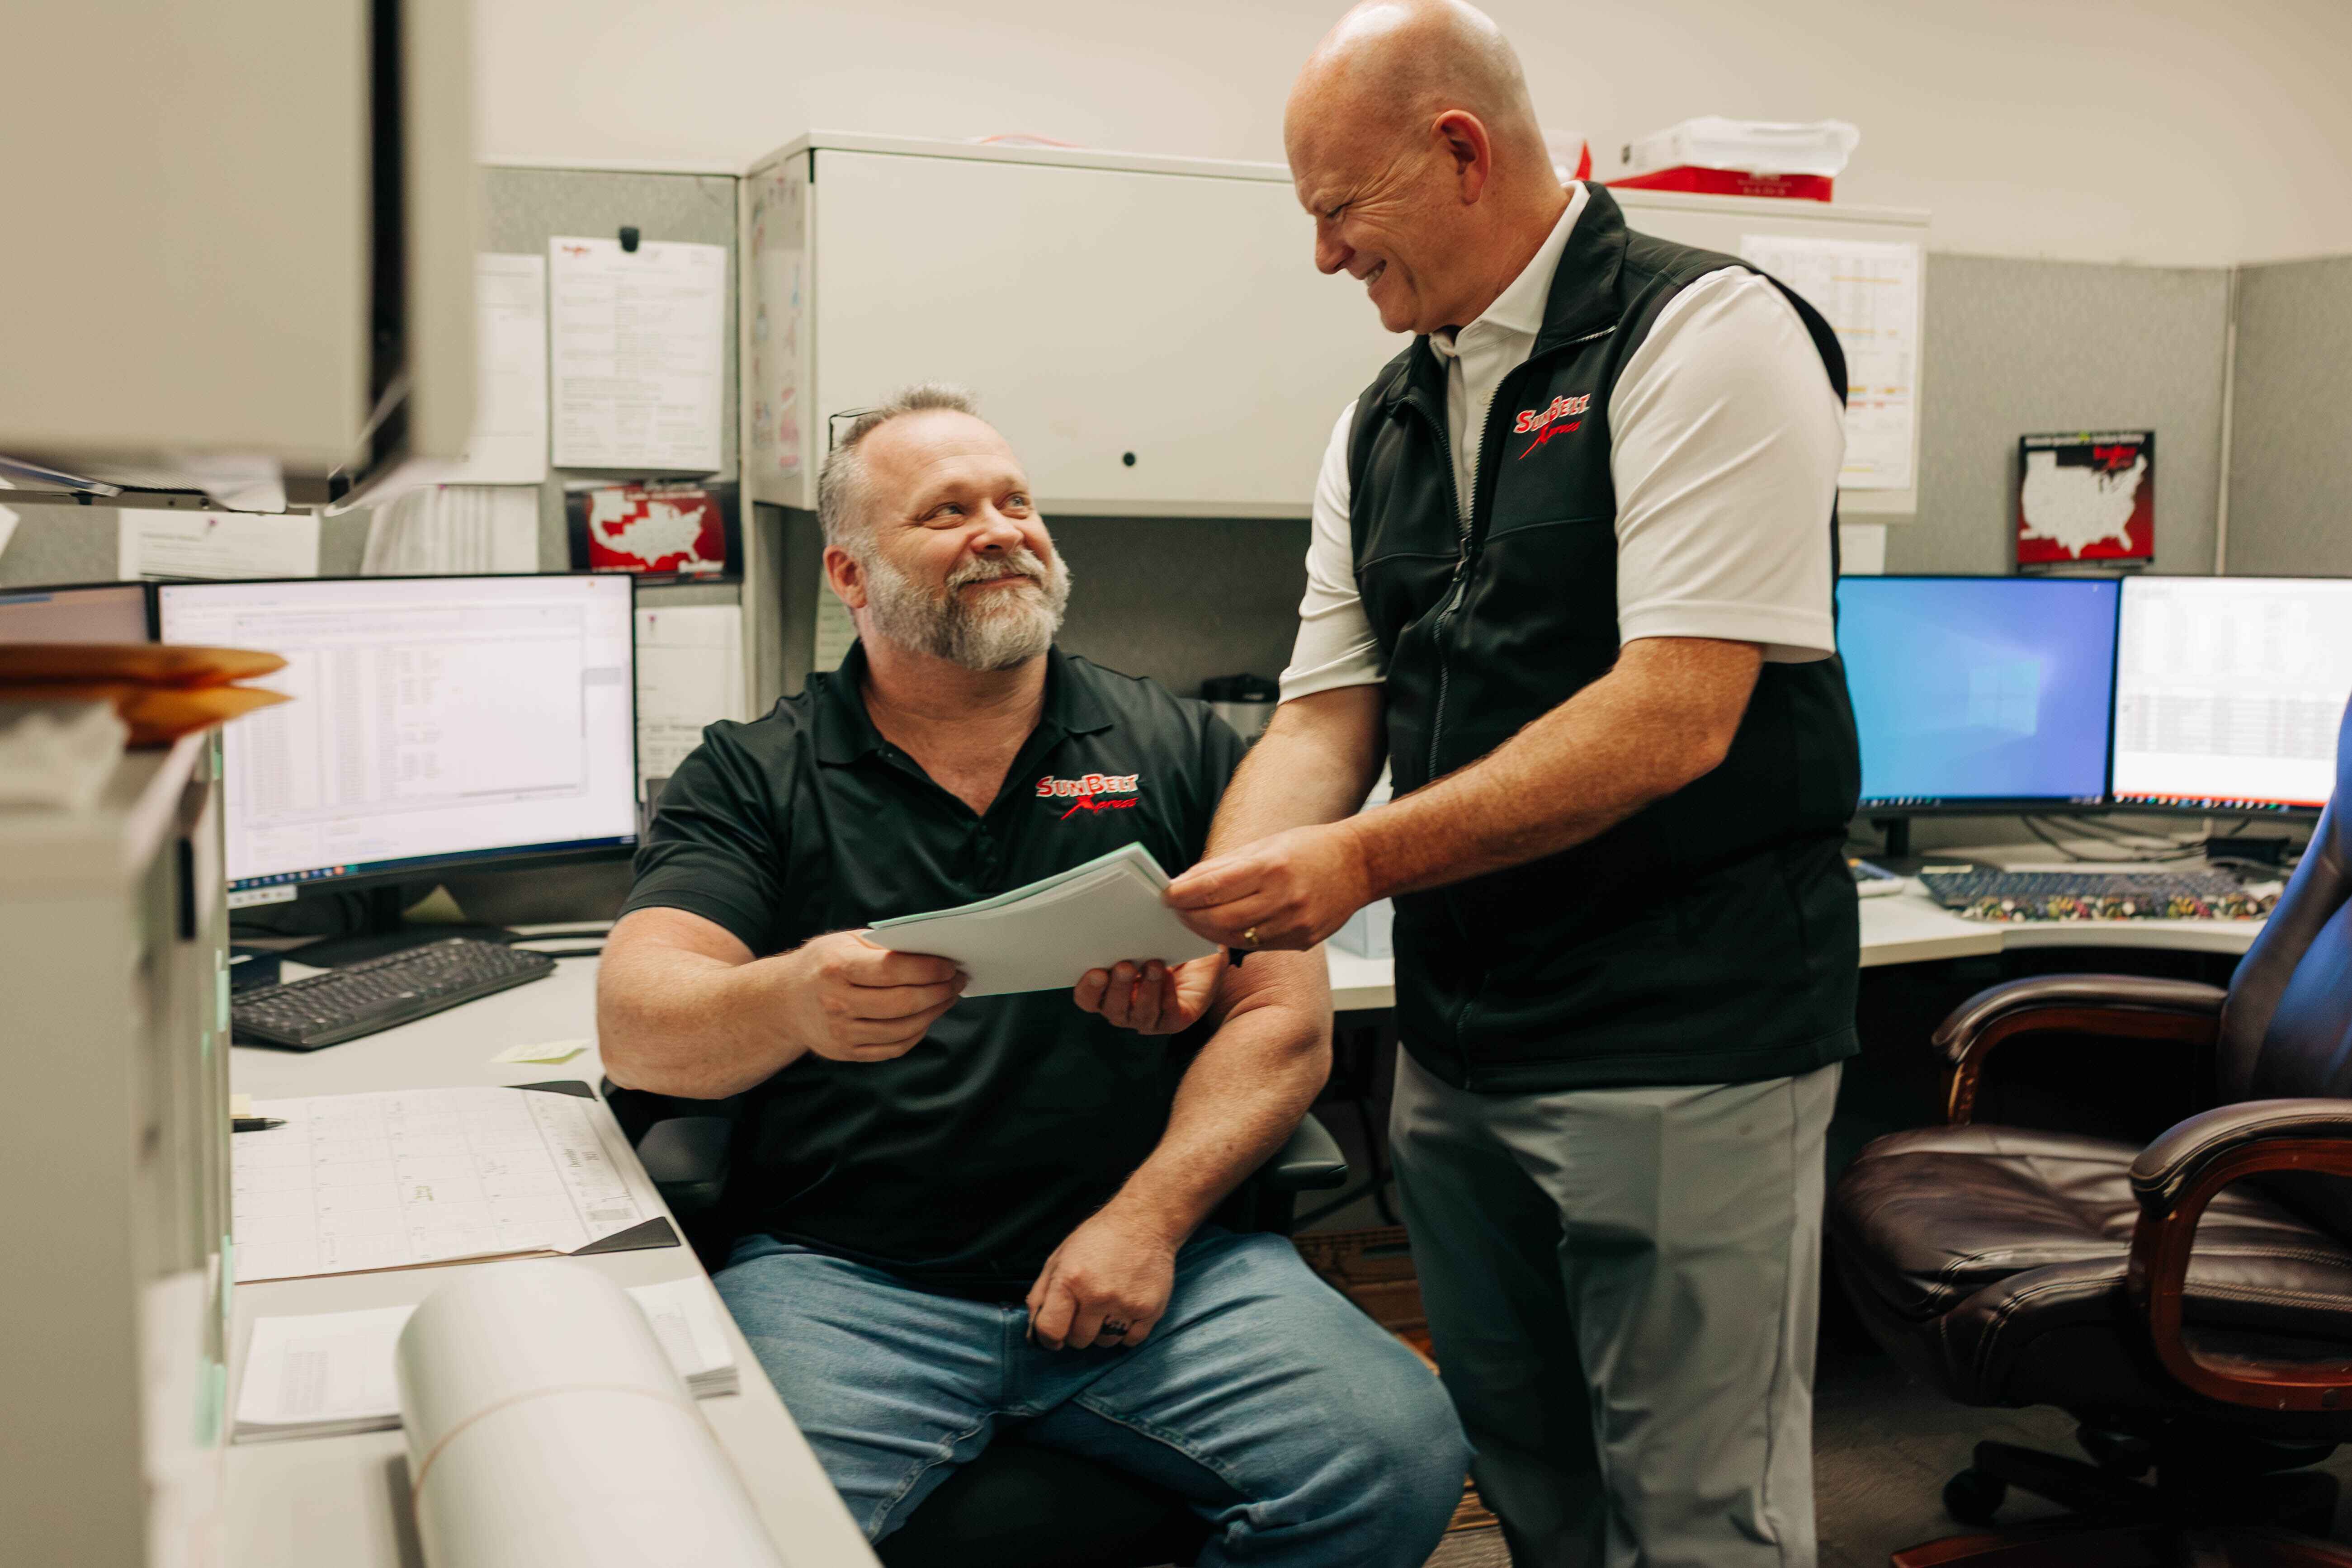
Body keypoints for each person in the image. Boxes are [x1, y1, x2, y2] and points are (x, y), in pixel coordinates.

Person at [1161, 5, 1863, 1564]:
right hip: (1465, 1050)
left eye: (1340, 208)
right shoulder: (1387, 415)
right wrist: (1214, 911)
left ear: (1459, 151)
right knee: (1528, 1476)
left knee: (1696, 1513)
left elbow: (1669, 716)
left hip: (1684, 1037)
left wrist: (1347, 868)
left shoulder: (1708, 337)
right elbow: (1322, 715)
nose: (1327, 256)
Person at [596, 383, 1467, 1564]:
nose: (1001, 529)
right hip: (848, 1281)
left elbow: (1286, 1020)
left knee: (1394, 1453)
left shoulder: (1183, 749)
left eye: (1015, 500)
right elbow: (640, 1022)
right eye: (947, 511)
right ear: (850, 575)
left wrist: (1147, 1220)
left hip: (1166, 1264)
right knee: (721, 1532)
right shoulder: (757, 776)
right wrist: (790, 996)